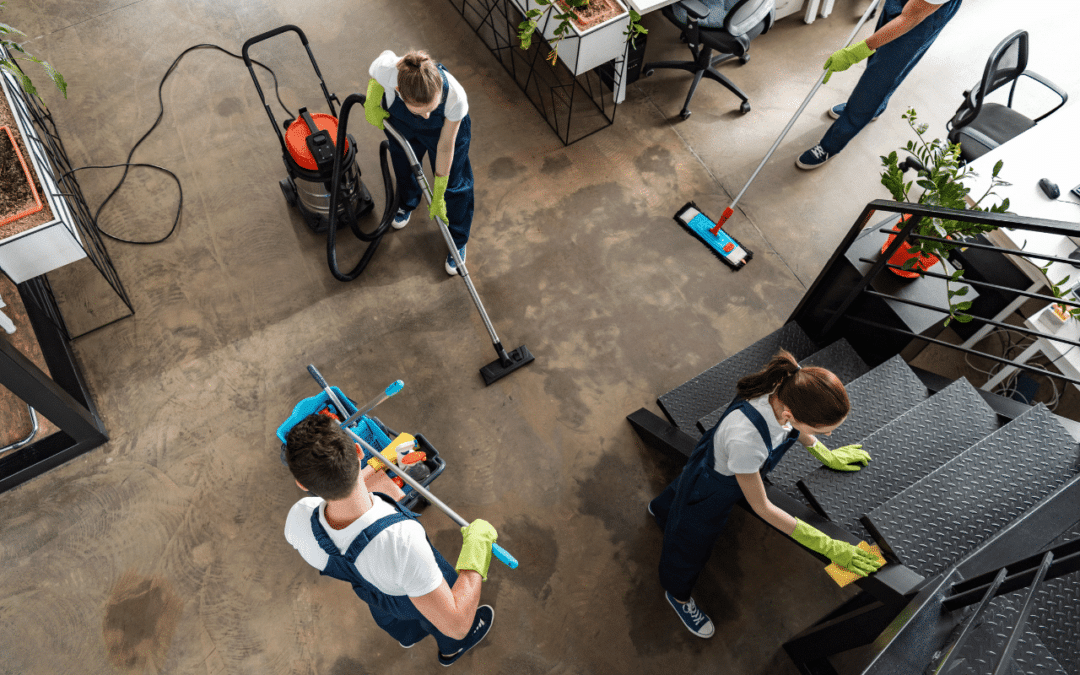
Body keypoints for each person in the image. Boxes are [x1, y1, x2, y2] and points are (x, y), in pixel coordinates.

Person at [649, 350, 883, 638]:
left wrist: (825, 453)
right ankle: (677, 593)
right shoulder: (748, 442)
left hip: (715, 456)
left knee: (684, 487)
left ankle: (661, 510)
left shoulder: (787, 385)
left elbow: (796, 428)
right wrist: (828, 546)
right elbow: (763, 508)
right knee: (690, 543)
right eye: (823, 432)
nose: (829, 436)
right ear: (790, 414)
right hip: (715, 487)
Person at [283, 413, 496, 666]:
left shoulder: (299, 517)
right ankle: (451, 650)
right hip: (405, 591)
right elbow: (457, 623)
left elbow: (338, 494)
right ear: (358, 451)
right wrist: (478, 547)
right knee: (440, 617)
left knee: (392, 615)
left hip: (374, 592)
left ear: (302, 484)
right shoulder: (402, 542)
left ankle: (408, 635)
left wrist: (377, 466)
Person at [796, 0, 963, 170]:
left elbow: (910, 18)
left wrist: (856, 52)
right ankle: (876, 108)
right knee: (880, 60)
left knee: (877, 80)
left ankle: (830, 146)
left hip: (923, 15)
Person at [364, 49, 474, 276]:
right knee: (403, 162)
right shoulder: (388, 70)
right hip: (402, 122)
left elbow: (445, 146)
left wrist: (440, 190)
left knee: (454, 181)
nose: (425, 116)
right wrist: (372, 102)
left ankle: (457, 239)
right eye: (420, 110)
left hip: (444, 131)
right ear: (398, 91)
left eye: (430, 109)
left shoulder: (455, 97)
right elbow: (375, 76)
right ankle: (407, 201)